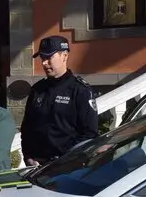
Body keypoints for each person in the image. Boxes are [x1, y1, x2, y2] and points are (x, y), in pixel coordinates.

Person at [20, 35, 100, 166]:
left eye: (49, 57)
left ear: (64, 56)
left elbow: (89, 134)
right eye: (42, 58)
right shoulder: (37, 89)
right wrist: (28, 156)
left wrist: (65, 159)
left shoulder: (80, 90)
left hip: (68, 167)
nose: (44, 63)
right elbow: (27, 128)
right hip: (37, 167)